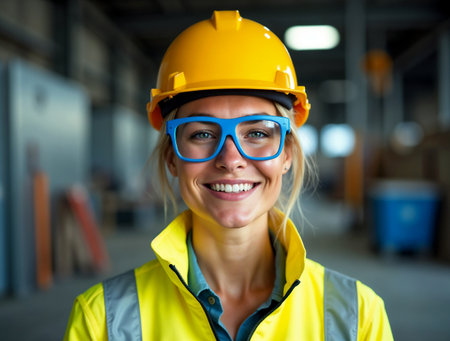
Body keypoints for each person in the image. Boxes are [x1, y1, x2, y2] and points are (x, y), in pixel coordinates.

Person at [64, 10, 393, 341]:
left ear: (287, 154)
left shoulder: (358, 317)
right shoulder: (103, 320)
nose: (231, 159)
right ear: (171, 158)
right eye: (203, 134)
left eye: (258, 133)